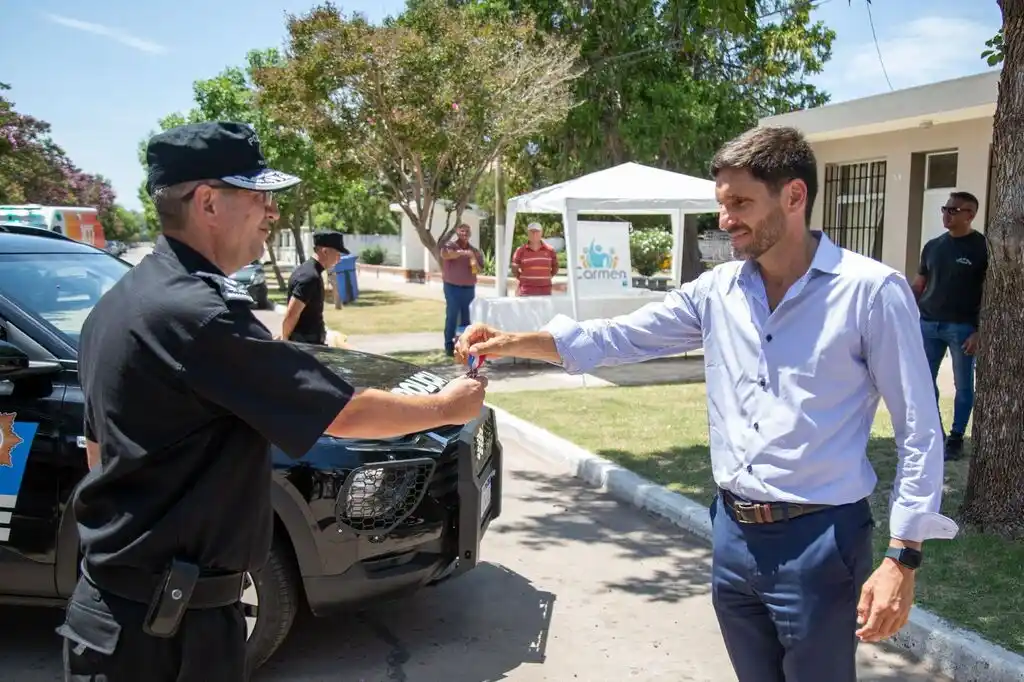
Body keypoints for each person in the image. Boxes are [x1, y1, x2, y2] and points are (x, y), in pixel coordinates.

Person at [456, 126, 959, 682]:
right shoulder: (716, 291)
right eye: (722, 205)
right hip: (733, 535)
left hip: (820, 543)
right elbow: (616, 338)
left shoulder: (870, 292)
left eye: (740, 203)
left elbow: (918, 427)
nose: (726, 220)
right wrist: (507, 342)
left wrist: (902, 557)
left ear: (794, 196)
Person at [62, 121, 487, 682]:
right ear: (208, 202)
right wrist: (447, 408)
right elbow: (342, 413)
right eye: (258, 196)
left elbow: (100, 450)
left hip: (130, 610)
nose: (272, 212)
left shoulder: (125, 300)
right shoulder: (198, 313)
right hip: (164, 633)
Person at [911, 191, 987, 460]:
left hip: (962, 328)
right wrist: (907, 312)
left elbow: (988, 293)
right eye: (945, 208)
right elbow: (919, 285)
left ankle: (956, 439)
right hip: (928, 324)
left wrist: (979, 331)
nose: (947, 214)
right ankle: (936, 433)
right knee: (922, 381)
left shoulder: (982, 248)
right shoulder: (933, 246)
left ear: (970, 215)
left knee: (963, 385)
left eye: (954, 210)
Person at [281, 229, 349, 344]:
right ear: (325, 251)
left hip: (310, 343)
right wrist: (284, 340)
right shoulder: (309, 277)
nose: (339, 259)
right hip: (305, 346)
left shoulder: (309, 271)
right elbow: (292, 314)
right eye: (337, 254)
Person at [440, 223, 484, 356]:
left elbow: (480, 269)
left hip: (469, 288)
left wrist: (473, 259)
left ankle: (463, 346)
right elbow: (447, 255)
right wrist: (465, 253)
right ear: (457, 233)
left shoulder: (475, 251)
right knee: (452, 315)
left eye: (467, 232)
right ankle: (449, 346)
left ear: (470, 234)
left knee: (466, 318)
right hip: (452, 287)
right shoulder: (450, 246)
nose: (465, 234)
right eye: (462, 231)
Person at [511, 222, 560, 296]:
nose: (534, 234)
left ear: (541, 233)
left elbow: (555, 267)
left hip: (545, 292)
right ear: (528, 233)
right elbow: (514, 269)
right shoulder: (520, 250)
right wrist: (523, 279)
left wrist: (546, 278)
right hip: (526, 292)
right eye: (532, 232)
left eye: (537, 231)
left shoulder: (550, 250)